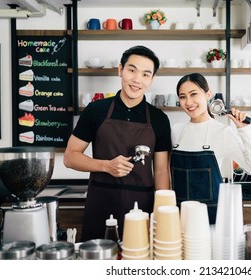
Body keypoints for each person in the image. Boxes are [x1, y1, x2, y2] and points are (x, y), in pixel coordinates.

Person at [63, 45, 172, 241]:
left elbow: (162, 171)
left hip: (143, 208)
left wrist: (163, 212)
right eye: (132, 70)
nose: (137, 79)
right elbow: (70, 157)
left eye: (146, 74)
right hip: (101, 204)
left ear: (152, 79)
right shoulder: (96, 110)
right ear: (120, 70)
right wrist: (106, 165)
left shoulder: (159, 119)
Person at [170, 73, 251, 224]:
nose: (188, 102)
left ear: (208, 94)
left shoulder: (222, 132)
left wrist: (244, 129)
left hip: (212, 217)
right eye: (182, 97)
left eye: (193, 94)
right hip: (179, 216)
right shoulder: (177, 131)